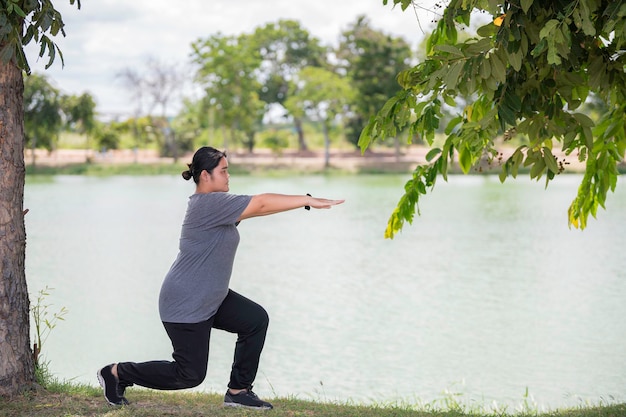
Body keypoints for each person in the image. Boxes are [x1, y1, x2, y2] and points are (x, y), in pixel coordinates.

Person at [97, 146, 344, 410]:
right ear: (205, 175)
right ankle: (116, 373)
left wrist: (302, 201)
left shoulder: (218, 207)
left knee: (254, 320)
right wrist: (306, 200)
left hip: (211, 298)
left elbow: (258, 210)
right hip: (186, 302)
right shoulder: (208, 204)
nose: (228, 176)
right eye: (223, 171)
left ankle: (238, 391)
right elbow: (260, 202)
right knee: (189, 375)